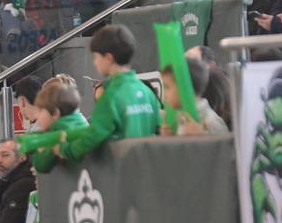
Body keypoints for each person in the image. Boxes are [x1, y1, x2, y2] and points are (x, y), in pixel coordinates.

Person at [53, 25, 159, 164]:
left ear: (108, 58)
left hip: (122, 174)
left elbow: (93, 137)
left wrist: (65, 150)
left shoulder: (111, 96)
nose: (94, 63)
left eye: (96, 57)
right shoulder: (147, 92)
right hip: (148, 171)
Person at [160, 57, 228, 135]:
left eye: (167, 87)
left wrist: (202, 137)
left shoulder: (211, 122)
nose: (164, 94)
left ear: (185, 88)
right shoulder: (181, 118)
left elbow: (226, 147)